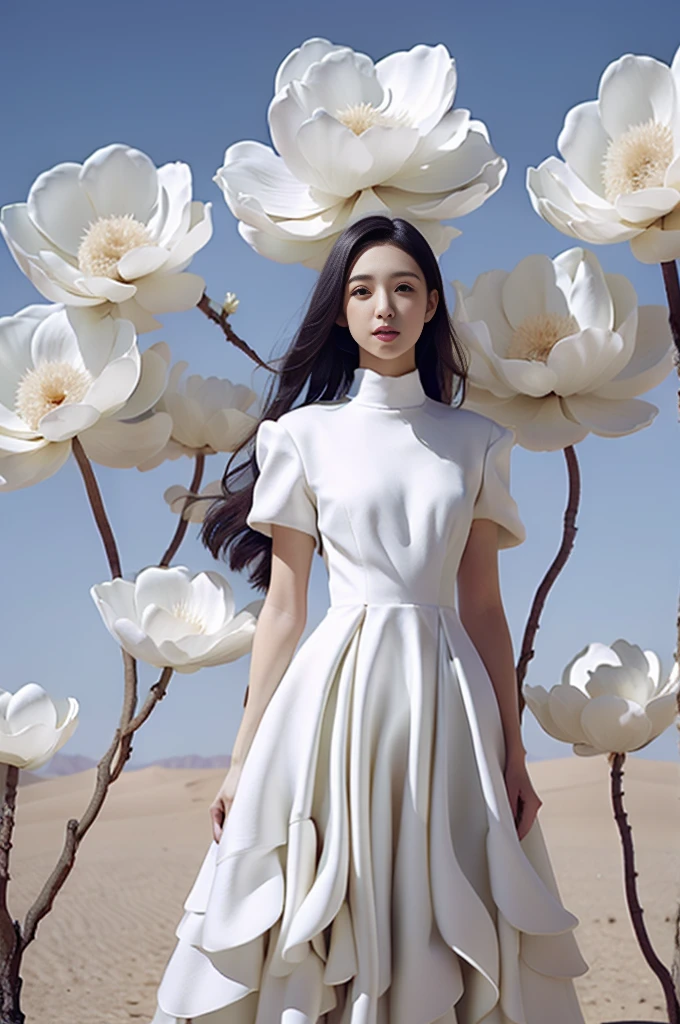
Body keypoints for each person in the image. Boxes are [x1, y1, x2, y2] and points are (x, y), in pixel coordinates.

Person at [148, 215, 588, 1024]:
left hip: (448, 703)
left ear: (429, 309)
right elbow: (285, 608)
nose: (383, 306)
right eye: (361, 290)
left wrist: (515, 755)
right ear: (341, 311)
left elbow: (485, 607)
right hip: (335, 700)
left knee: (448, 903)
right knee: (326, 909)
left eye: (403, 288)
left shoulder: (479, 441)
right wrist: (243, 761)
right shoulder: (301, 437)